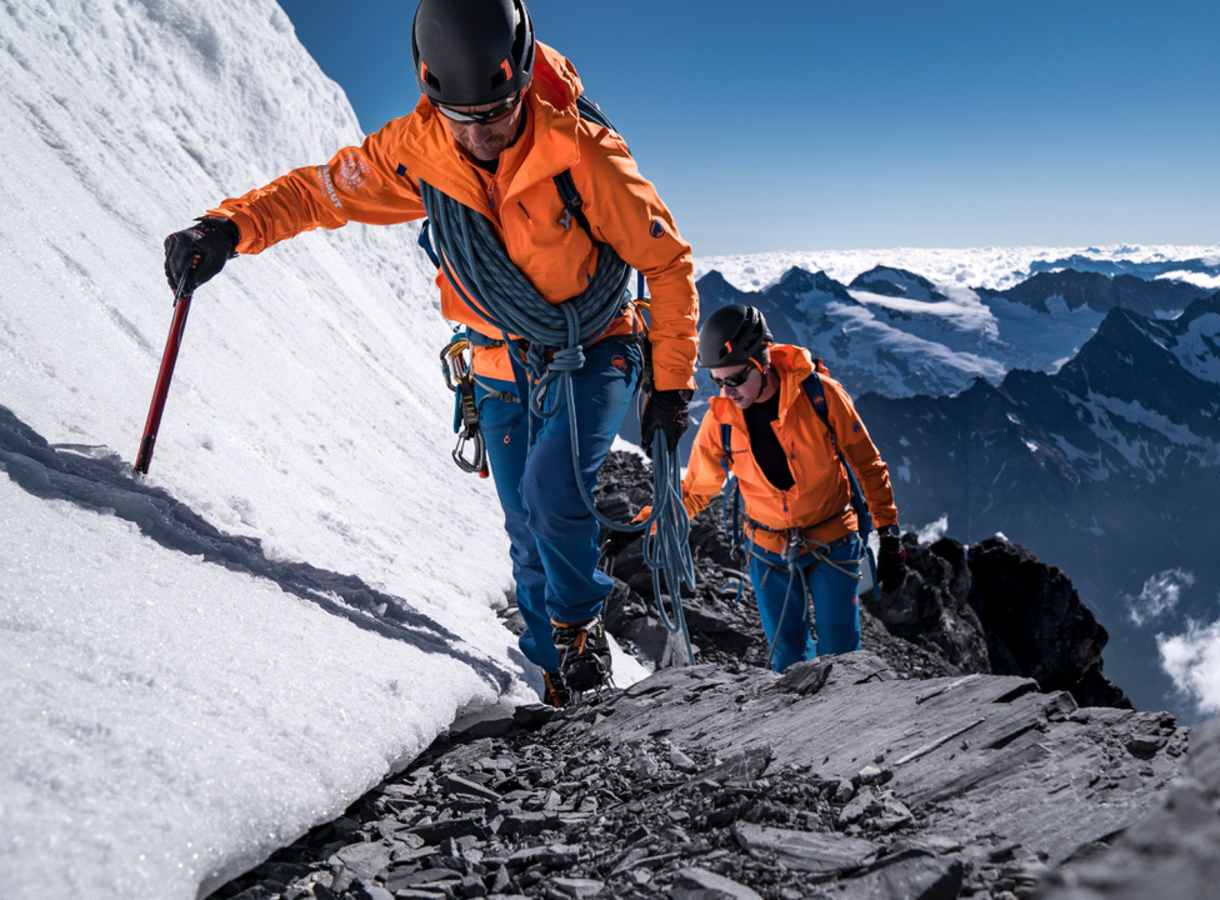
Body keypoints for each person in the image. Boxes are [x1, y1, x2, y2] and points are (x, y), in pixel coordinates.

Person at [161, 0, 698, 706]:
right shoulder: (417, 152)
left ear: (525, 77)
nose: (484, 134)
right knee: (524, 527)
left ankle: (575, 632)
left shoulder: (584, 151)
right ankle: (557, 680)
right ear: (433, 96)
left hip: (594, 347)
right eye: (465, 120)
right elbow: (324, 192)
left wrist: (670, 386)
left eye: (499, 113)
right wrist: (230, 227)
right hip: (497, 362)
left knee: (552, 489)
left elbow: (665, 262)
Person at [679, 305, 907, 672]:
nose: (727, 391)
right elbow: (697, 489)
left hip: (832, 540)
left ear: (761, 362)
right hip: (768, 549)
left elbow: (867, 464)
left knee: (841, 656)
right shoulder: (720, 419)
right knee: (787, 660)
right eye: (718, 381)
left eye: (735, 379)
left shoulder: (821, 395)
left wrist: (889, 535)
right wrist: (656, 525)